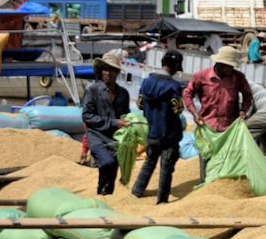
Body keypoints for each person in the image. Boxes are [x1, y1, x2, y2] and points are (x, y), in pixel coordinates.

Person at [182, 46, 253, 183]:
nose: (231, 69)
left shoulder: (238, 78)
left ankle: (220, 189)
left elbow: (248, 95)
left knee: (225, 160)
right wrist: (195, 114)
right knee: (206, 158)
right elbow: (187, 93)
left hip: (228, 128)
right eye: (229, 66)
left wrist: (244, 110)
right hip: (207, 126)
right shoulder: (201, 76)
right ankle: (204, 186)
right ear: (220, 64)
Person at [131, 51, 185, 204]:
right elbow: (178, 110)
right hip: (169, 134)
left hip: (151, 131)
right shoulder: (174, 86)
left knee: (149, 161)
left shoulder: (147, 82)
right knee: (166, 167)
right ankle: (162, 200)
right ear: (175, 66)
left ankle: (137, 192)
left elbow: (140, 104)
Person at [82, 51, 131, 196]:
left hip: (115, 138)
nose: (108, 73)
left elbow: (125, 115)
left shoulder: (123, 94)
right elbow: (87, 116)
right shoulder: (93, 90)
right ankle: (101, 192)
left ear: (117, 73)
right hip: (96, 136)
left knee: (113, 168)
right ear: (100, 71)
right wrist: (114, 122)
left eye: (112, 70)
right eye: (105, 69)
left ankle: (104, 195)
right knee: (107, 162)